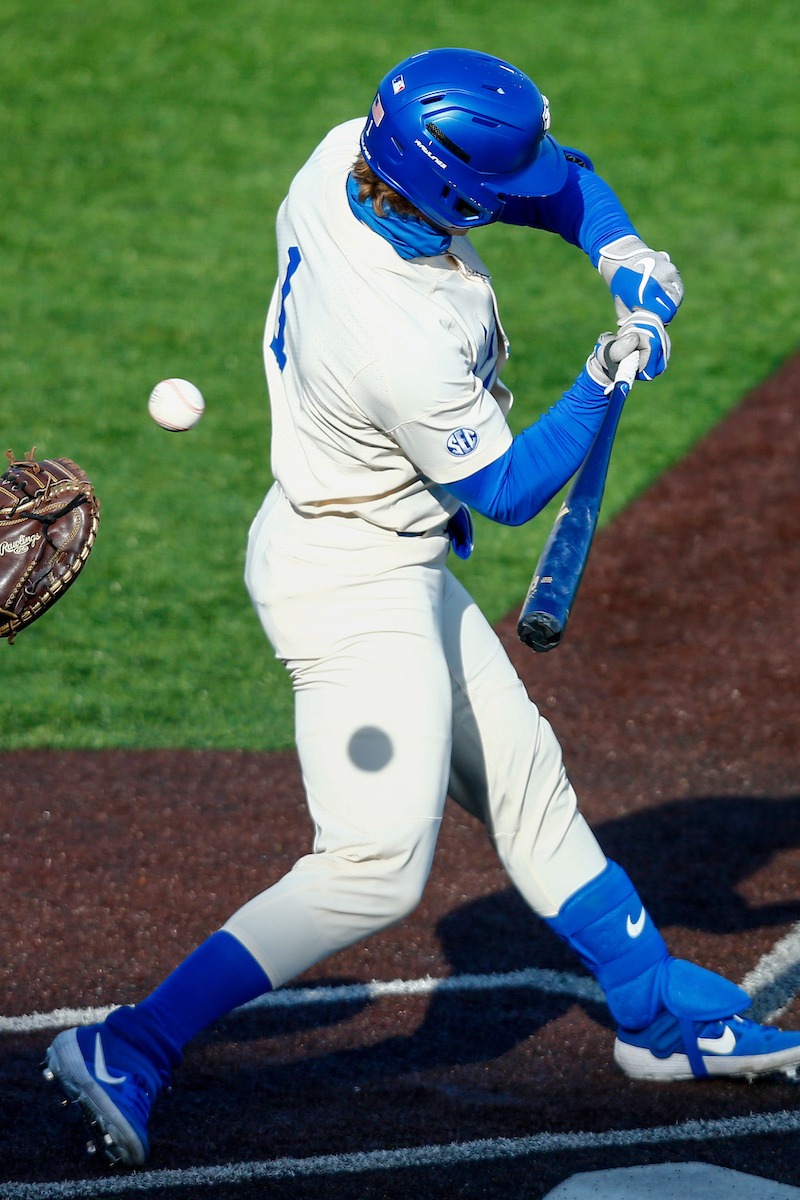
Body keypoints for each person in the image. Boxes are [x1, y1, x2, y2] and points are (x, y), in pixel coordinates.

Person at [43, 48, 800, 1169]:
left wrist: (623, 254)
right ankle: (127, 1046)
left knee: (524, 780)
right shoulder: (397, 339)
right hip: (348, 588)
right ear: (447, 188)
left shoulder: (343, 158)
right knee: (373, 866)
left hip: (380, 553)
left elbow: (562, 180)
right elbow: (507, 491)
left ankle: (652, 1015)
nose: (520, 189)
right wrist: (605, 371)